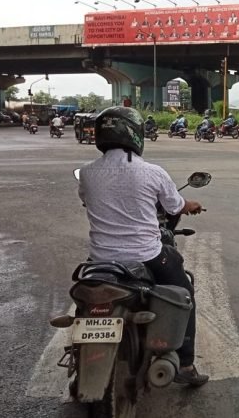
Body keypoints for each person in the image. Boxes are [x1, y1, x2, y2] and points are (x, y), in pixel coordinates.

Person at [77, 107, 209, 386]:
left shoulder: (87, 173)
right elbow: (175, 206)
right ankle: (185, 365)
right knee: (184, 293)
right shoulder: (152, 172)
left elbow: (86, 201)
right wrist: (192, 205)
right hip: (148, 256)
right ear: (135, 134)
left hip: (101, 261)